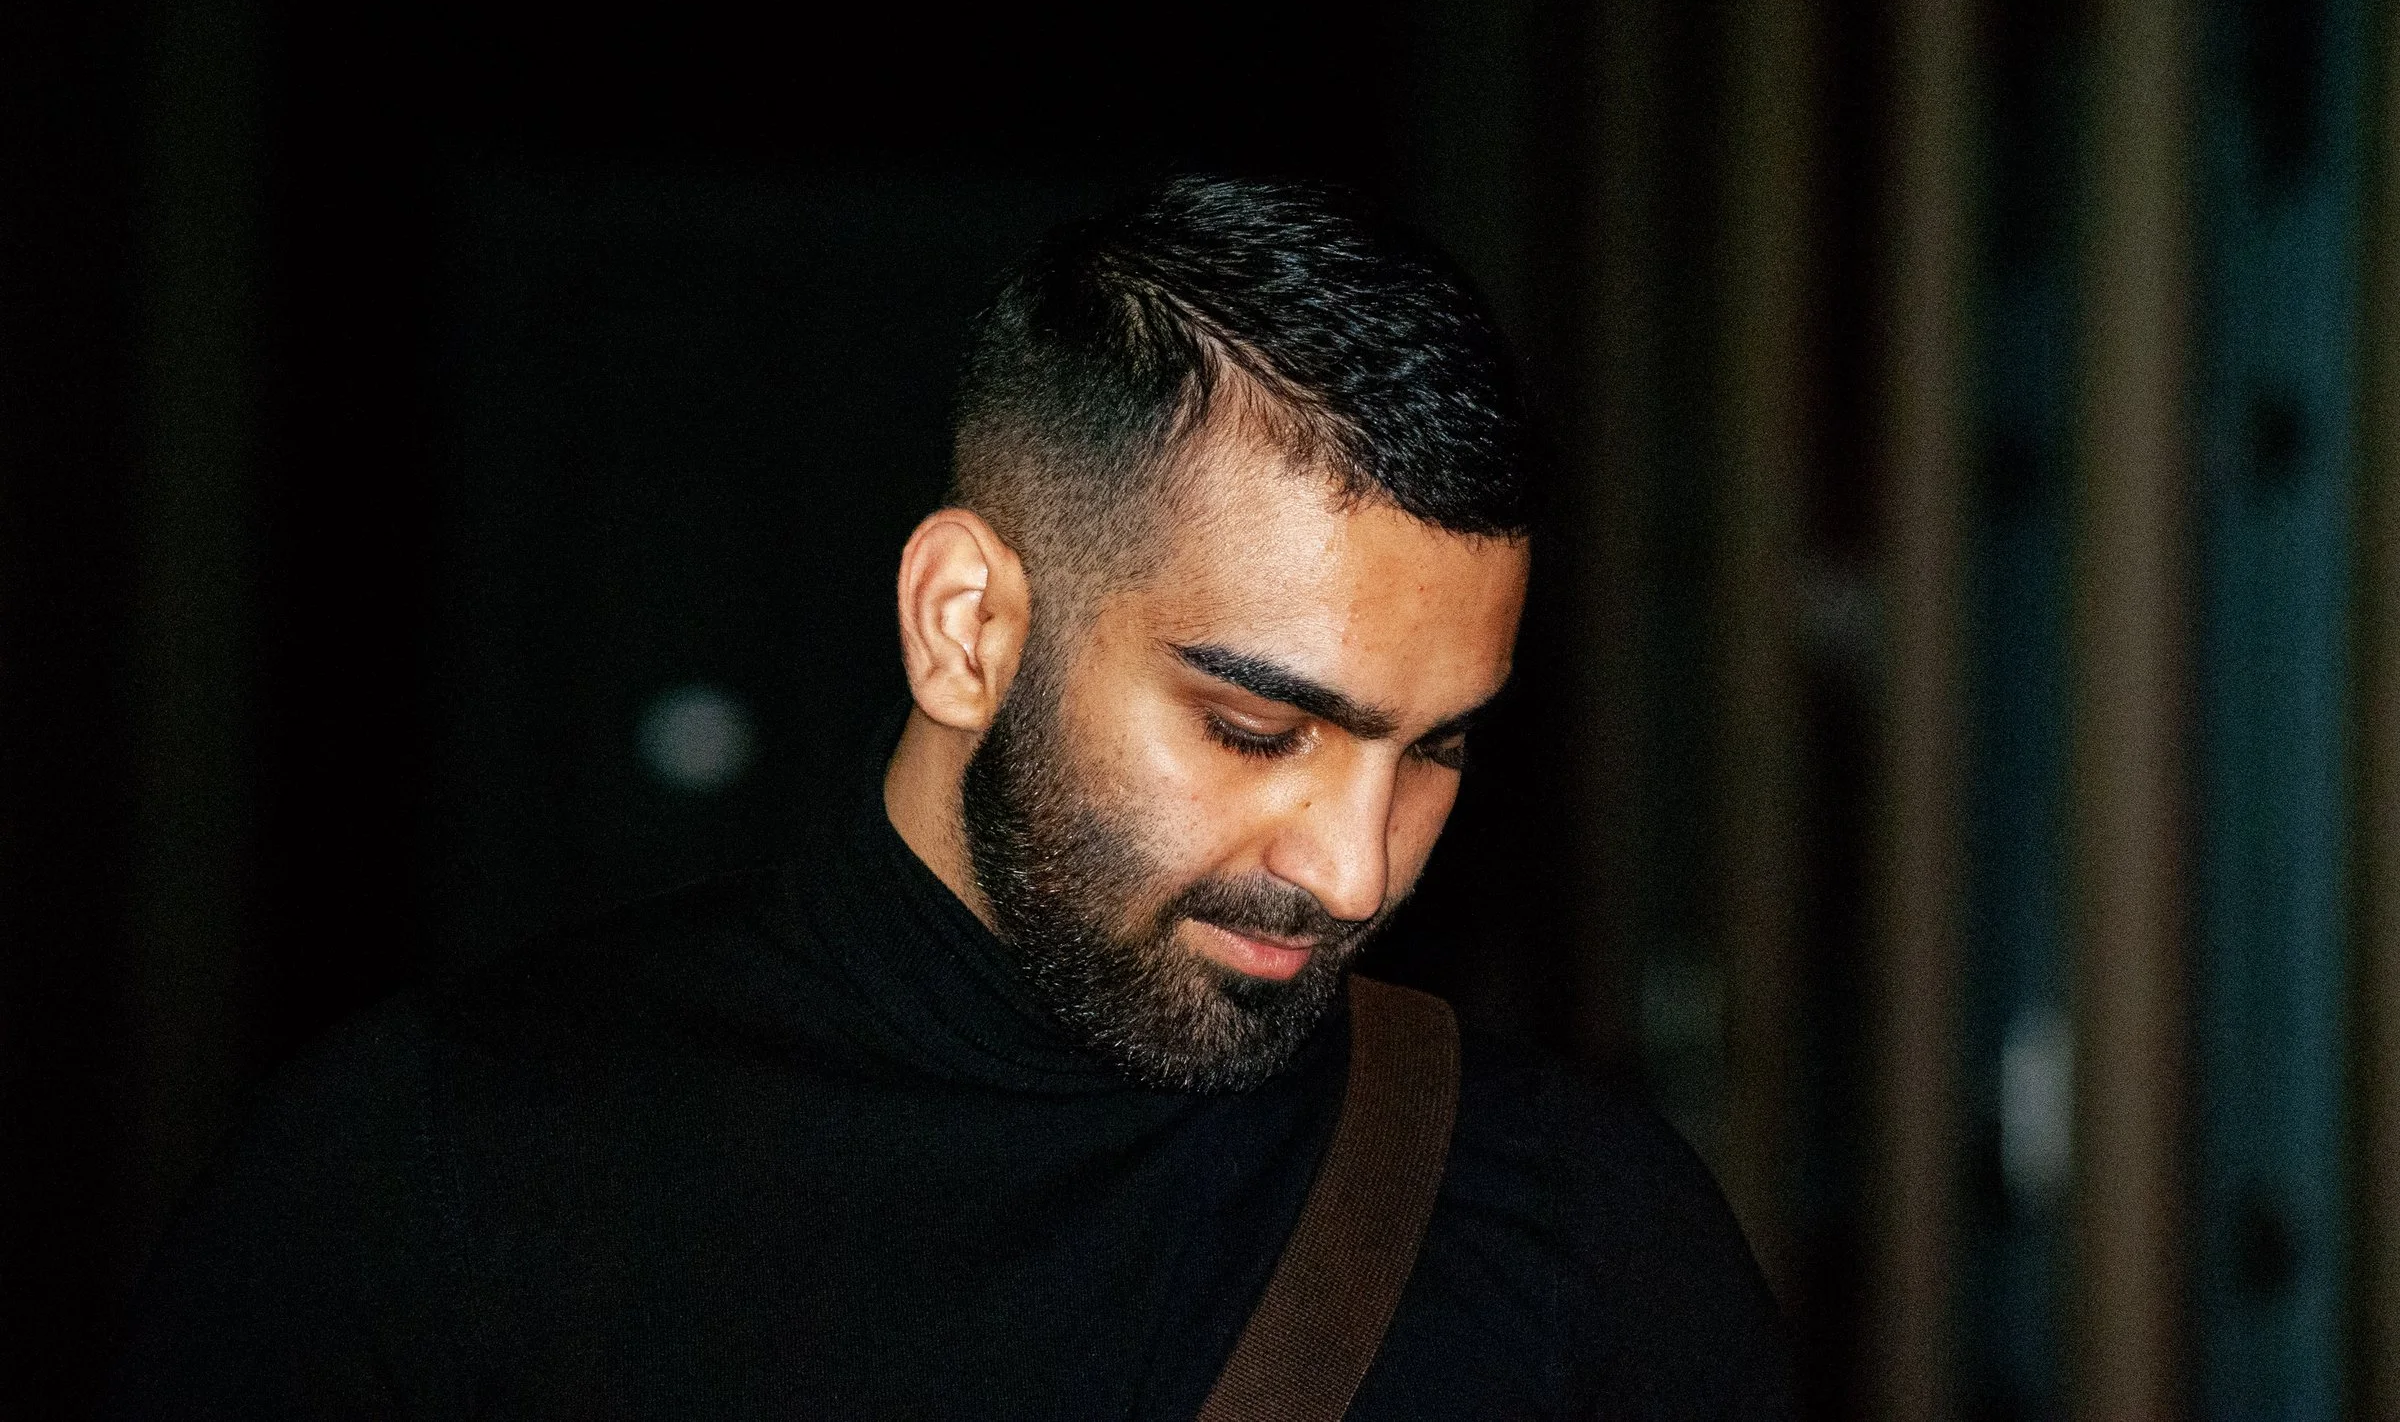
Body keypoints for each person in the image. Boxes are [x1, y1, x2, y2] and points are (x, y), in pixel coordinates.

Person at [111, 178, 1790, 1419]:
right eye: (1253, 727)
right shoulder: (429, 1182)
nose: (1355, 869)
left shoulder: (1584, 1232)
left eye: (1433, 748)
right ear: (967, 626)